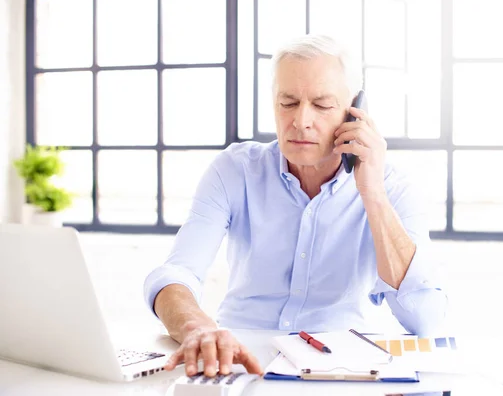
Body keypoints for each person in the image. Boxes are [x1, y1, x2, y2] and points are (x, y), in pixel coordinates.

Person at [144, 34, 447, 378]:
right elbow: (176, 273)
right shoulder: (236, 170)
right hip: (242, 361)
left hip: (340, 369)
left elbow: (425, 317)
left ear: (355, 111)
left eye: (321, 105)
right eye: (288, 103)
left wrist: (372, 194)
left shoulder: (390, 187)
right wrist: (198, 328)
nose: (301, 121)